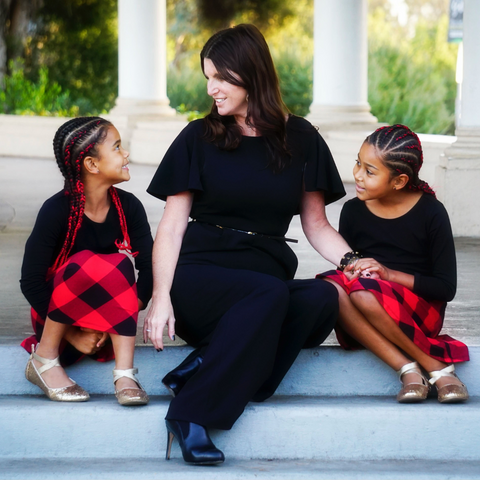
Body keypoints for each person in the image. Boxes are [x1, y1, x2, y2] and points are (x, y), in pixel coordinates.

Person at [145, 24, 353, 465]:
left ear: (250, 73)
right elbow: (172, 226)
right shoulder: (198, 137)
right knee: (271, 293)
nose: (211, 88)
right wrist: (161, 296)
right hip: (201, 277)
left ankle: (208, 364)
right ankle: (190, 414)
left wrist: (354, 261)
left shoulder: (302, 140)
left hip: (261, 285)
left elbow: (316, 225)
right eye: (208, 77)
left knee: (321, 296)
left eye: (220, 76)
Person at [319, 124, 469, 404]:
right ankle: (408, 369)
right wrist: (357, 272)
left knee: (363, 291)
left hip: (418, 310)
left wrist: (388, 275)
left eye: (369, 171)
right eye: (358, 164)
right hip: (367, 308)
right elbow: (348, 272)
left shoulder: (431, 212)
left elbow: (445, 288)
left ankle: (435, 367)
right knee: (330, 286)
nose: (357, 176)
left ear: (399, 181)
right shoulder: (352, 211)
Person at [20, 116, 153, 406]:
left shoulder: (129, 207)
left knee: (120, 265)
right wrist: (73, 335)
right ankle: (44, 359)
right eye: (117, 147)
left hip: (108, 330)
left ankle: (125, 373)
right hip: (57, 324)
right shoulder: (56, 210)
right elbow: (30, 282)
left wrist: (122, 313)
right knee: (86, 262)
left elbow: (149, 269)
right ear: (91, 165)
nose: (126, 153)